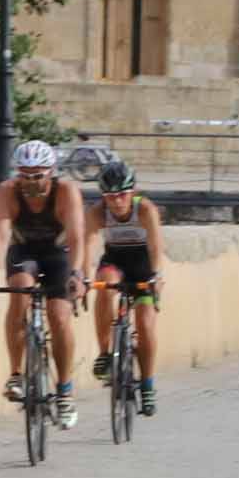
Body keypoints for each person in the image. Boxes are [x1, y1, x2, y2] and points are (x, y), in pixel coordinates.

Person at [0, 138, 93, 430]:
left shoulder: (66, 192)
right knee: (20, 292)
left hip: (58, 254)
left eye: (38, 176)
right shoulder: (7, 191)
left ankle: (65, 391)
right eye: (25, 176)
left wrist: (77, 274)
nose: (31, 183)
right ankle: (16, 374)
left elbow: (77, 237)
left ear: (51, 172)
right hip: (24, 252)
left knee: (59, 316)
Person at [89, 157, 167, 416]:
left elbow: (155, 246)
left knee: (145, 324)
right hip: (116, 261)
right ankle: (104, 353)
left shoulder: (144, 209)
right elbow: (87, 243)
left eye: (122, 194)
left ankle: (147, 385)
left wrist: (156, 275)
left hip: (143, 265)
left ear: (132, 191)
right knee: (104, 285)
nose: (117, 201)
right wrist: (80, 276)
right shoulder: (98, 212)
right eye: (110, 196)